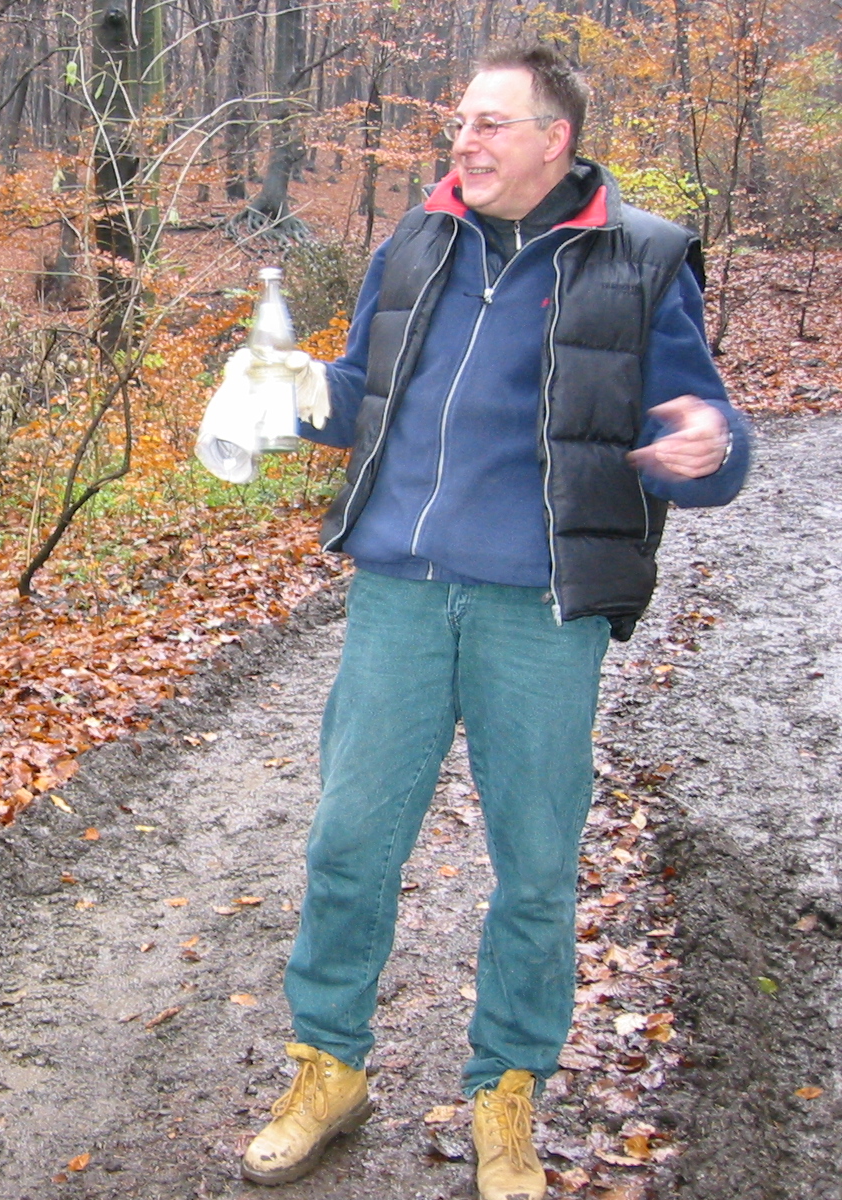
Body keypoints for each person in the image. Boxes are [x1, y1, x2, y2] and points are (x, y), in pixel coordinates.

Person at [240, 44, 750, 1200]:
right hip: (399, 595)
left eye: (488, 123)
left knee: (534, 866)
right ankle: (328, 1065)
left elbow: (707, 431)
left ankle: (505, 1090)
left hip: (540, 609)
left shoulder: (642, 260)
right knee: (348, 842)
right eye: (459, 120)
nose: (461, 140)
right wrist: (296, 393)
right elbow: (364, 392)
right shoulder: (416, 241)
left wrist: (707, 450)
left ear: (553, 139)